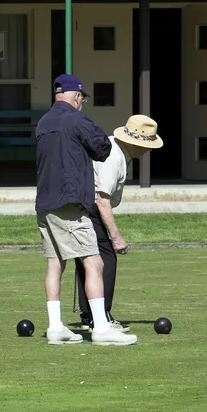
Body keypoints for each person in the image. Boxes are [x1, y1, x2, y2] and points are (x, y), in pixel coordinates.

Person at [34, 74, 137, 346]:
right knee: (94, 262)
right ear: (77, 97)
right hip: (70, 202)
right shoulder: (77, 119)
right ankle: (101, 328)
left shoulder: (43, 122)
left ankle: (56, 327)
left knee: (55, 263)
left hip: (44, 203)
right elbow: (103, 147)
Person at [74, 115, 163, 332]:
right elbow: (102, 200)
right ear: (133, 141)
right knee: (105, 260)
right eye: (146, 145)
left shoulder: (114, 146)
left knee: (87, 260)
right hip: (90, 209)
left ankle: (90, 317)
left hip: (80, 207)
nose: (148, 150)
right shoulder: (113, 157)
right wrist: (116, 237)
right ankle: (100, 316)